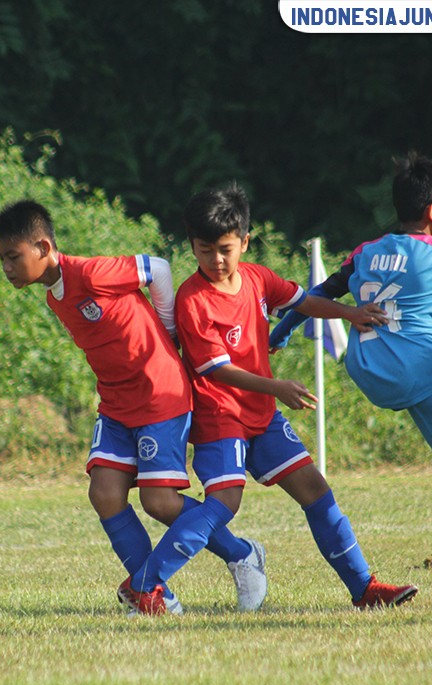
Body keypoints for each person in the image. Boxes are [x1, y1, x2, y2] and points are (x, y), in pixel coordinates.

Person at [122, 183, 416, 612]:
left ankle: (365, 588)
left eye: (225, 249)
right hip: (218, 413)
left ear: (244, 241)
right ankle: (147, 583)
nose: (216, 260)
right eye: (205, 250)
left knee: (315, 490)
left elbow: (303, 301)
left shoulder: (258, 278)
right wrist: (279, 387)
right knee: (225, 502)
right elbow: (214, 369)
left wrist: (350, 312)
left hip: (261, 414)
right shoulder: (192, 299)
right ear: (192, 247)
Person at [0, 199, 267, 616]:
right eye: (2, 259)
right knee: (104, 494)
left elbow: (156, 267)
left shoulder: (88, 271)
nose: (7, 268)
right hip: (116, 402)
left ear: (44, 247)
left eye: (13, 257)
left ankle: (242, 554)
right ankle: (156, 598)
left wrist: (168, 329)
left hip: (160, 393)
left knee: (159, 503)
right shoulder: (54, 295)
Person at [270, 153, 432, 610]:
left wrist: (277, 336)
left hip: (368, 367)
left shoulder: (366, 251)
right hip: (419, 371)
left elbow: (317, 294)